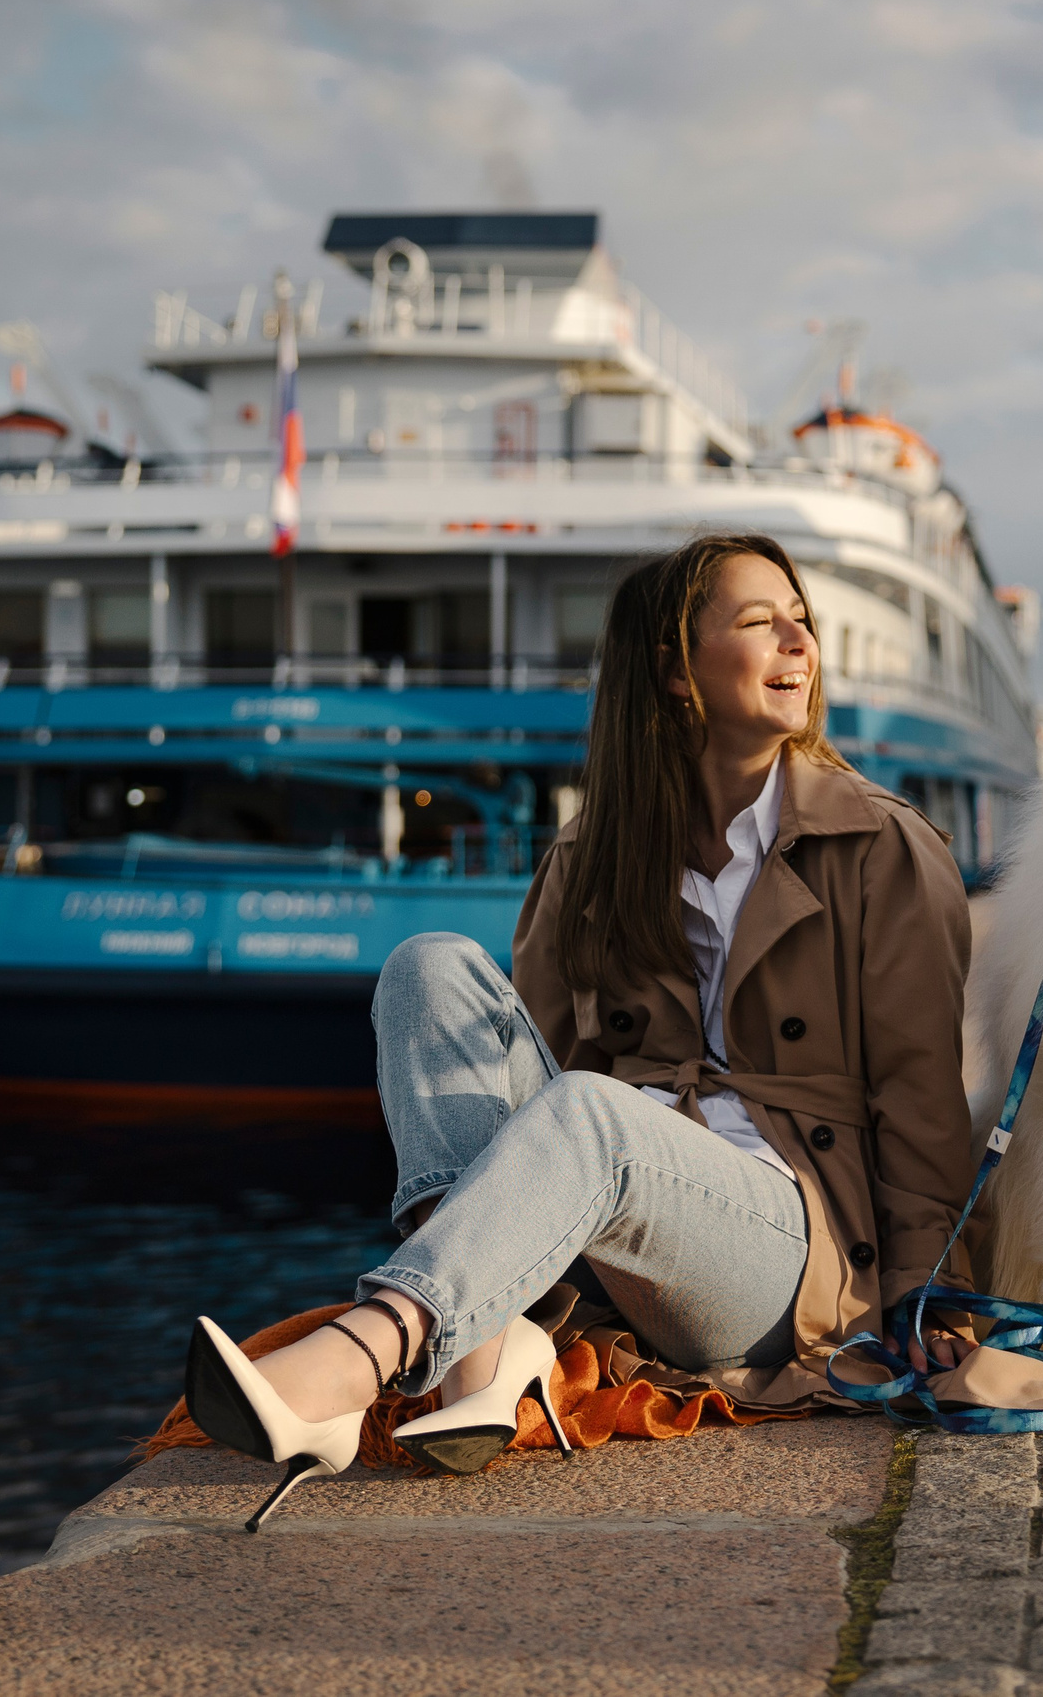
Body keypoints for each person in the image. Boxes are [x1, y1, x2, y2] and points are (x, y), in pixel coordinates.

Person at [182, 533, 980, 1525]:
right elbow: (536, 1072)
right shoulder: (591, 854)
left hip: (790, 1248)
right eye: (757, 622)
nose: (799, 643)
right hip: (614, 1229)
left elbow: (921, 1101)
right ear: (673, 670)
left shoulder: (882, 847)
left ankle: (362, 1355)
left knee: (593, 1110)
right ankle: (484, 1358)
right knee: (426, 968)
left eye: (800, 620)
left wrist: (928, 1303)